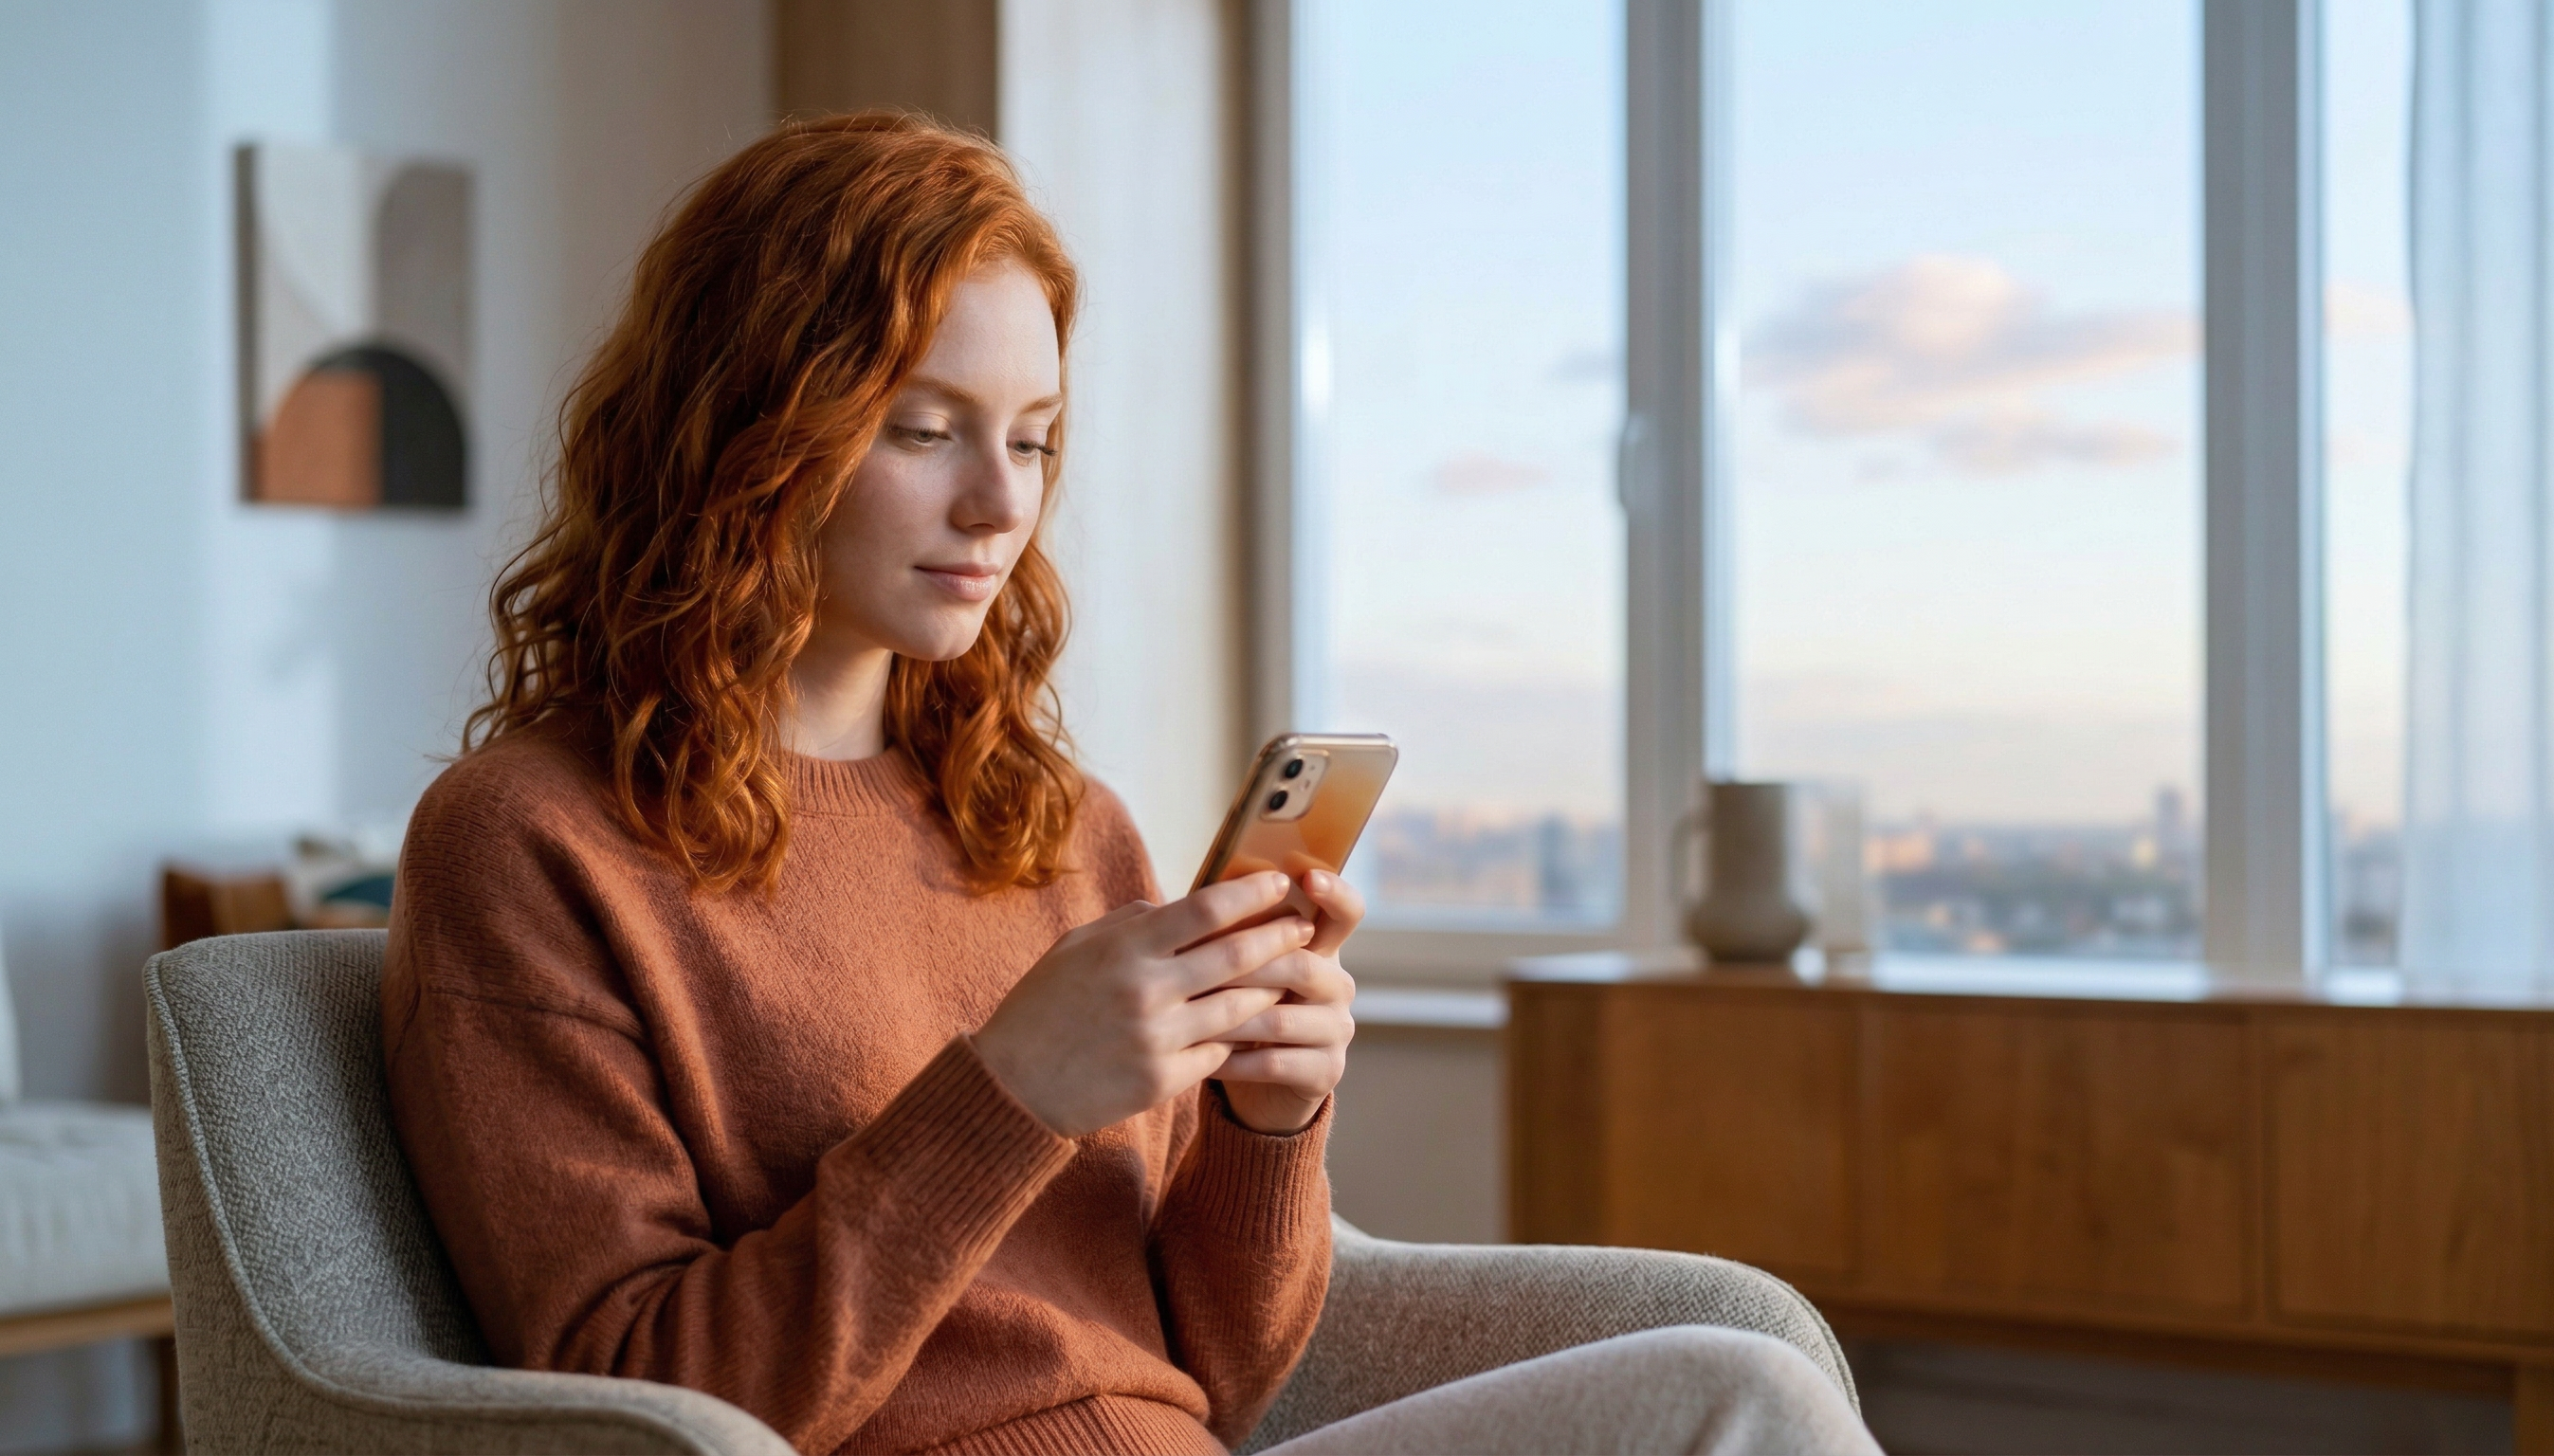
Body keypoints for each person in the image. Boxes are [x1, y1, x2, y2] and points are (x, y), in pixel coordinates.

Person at [382, 111, 1877, 1456]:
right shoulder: (531, 846)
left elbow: (1221, 1379)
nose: (1000, 504)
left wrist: (1267, 1128)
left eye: (1033, 441)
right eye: (926, 431)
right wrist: (1008, 1094)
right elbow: (642, 1403)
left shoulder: (1053, 829)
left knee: (1744, 1391)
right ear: (750, 431)